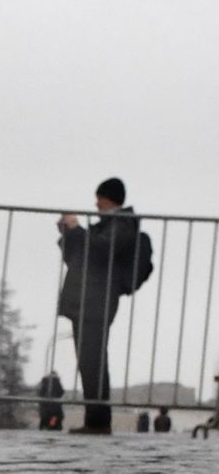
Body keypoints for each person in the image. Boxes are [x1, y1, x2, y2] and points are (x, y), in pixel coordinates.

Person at [57, 177, 146, 435]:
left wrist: (77, 229)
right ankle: (95, 418)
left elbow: (101, 250)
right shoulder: (109, 225)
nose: (96, 203)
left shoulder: (122, 224)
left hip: (97, 299)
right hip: (87, 298)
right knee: (88, 360)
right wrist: (68, 233)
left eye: (100, 198)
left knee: (93, 360)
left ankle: (98, 420)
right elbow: (79, 257)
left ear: (109, 198)